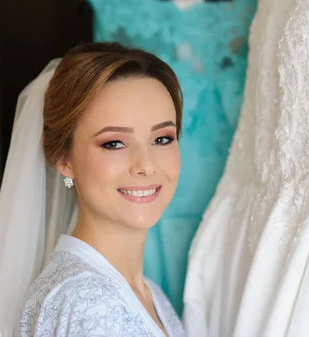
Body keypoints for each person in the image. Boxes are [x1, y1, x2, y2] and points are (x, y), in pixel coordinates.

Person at [16, 42, 187, 337]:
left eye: (162, 139)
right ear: (63, 158)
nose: (145, 165)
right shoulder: (86, 302)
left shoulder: (150, 294)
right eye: (114, 143)